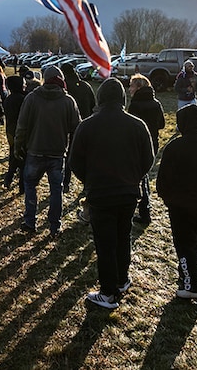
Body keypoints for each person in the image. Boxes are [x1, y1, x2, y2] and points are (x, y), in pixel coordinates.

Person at [68, 78, 154, 309]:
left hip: (100, 193)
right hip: (127, 193)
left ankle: (108, 293)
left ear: (100, 98)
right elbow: (149, 159)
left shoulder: (87, 126)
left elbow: (74, 161)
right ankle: (121, 279)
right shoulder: (137, 125)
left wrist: (90, 180)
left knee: (105, 243)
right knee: (122, 237)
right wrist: (132, 177)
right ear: (123, 99)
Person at [155, 104, 197, 299]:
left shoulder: (175, 147)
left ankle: (193, 285)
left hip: (181, 204)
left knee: (185, 244)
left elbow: (163, 178)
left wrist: (166, 197)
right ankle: (187, 274)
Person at [14, 65, 81, 236]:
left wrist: (17, 148)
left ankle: (30, 221)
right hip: (57, 153)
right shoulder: (68, 101)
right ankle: (54, 226)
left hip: (34, 151)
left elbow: (21, 127)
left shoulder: (31, 98)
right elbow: (77, 128)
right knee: (56, 190)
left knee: (30, 186)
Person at [127, 73, 166, 226]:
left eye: (132, 86)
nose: (129, 89)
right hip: (153, 143)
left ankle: (144, 211)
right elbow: (162, 124)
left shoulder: (135, 104)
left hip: (137, 145)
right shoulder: (156, 103)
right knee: (144, 175)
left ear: (138, 87)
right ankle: (144, 209)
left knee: (140, 178)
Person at [60, 63, 97, 193]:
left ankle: (65, 183)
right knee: (87, 156)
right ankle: (87, 184)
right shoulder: (86, 86)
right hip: (86, 124)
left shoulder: (64, 88)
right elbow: (93, 105)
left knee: (68, 155)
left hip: (68, 126)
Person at [3, 75, 26, 194]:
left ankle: (8, 178)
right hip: (21, 132)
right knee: (23, 160)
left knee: (13, 154)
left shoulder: (8, 99)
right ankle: (22, 186)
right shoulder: (23, 99)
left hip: (10, 132)